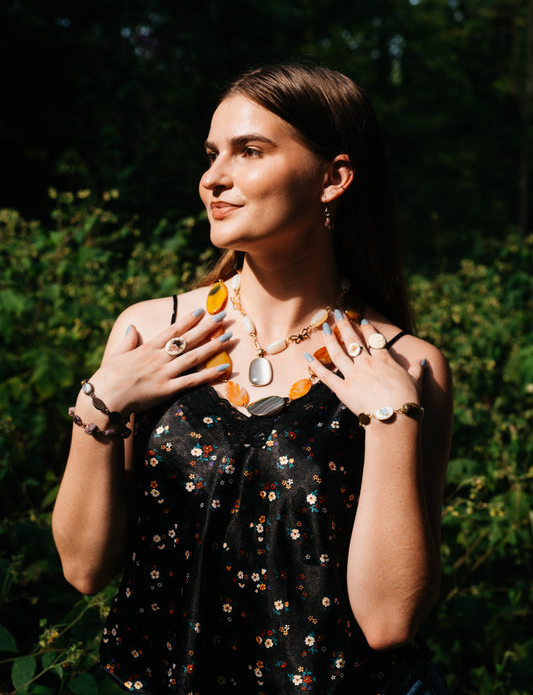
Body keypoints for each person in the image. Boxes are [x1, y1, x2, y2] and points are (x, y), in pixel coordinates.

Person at [52, 62, 453, 695]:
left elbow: (389, 622)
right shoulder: (150, 335)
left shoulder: (406, 365)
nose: (214, 177)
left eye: (250, 151)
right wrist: (98, 407)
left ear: (333, 178)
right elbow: (83, 569)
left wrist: (391, 423)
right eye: (212, 154)